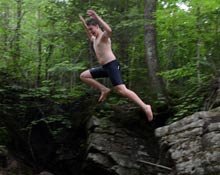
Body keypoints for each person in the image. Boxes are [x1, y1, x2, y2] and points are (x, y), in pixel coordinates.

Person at [79, 10, 153, 121]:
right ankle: (104, 89)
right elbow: (88, 33)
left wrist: (96, 16)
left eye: (92, 29)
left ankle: (145, 106)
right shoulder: (94, 39)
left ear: (97, 26)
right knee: (83, 76)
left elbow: (109, 30)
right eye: (89, 30)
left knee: (122, 90)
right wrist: (84, 24)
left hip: (112, 65)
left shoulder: (104, 37)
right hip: (104, 68)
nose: (90, 32)